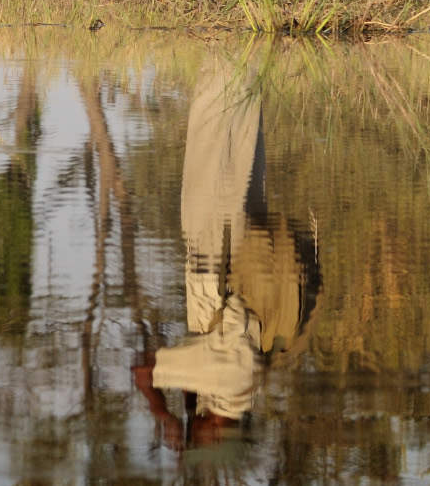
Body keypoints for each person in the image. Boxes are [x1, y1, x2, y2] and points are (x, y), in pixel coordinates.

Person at [132, 61, 319, 455]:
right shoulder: (225, 382)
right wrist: (164, 419)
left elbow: (194, 374)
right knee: (214, 138)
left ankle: (243, 57)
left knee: (239, 146)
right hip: (215, 249)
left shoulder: (243, 388)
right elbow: (143, 370)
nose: (189, 438)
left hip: (233, 248)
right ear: (216, 436)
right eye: (196, 443)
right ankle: (222, 58)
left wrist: (188, 415)